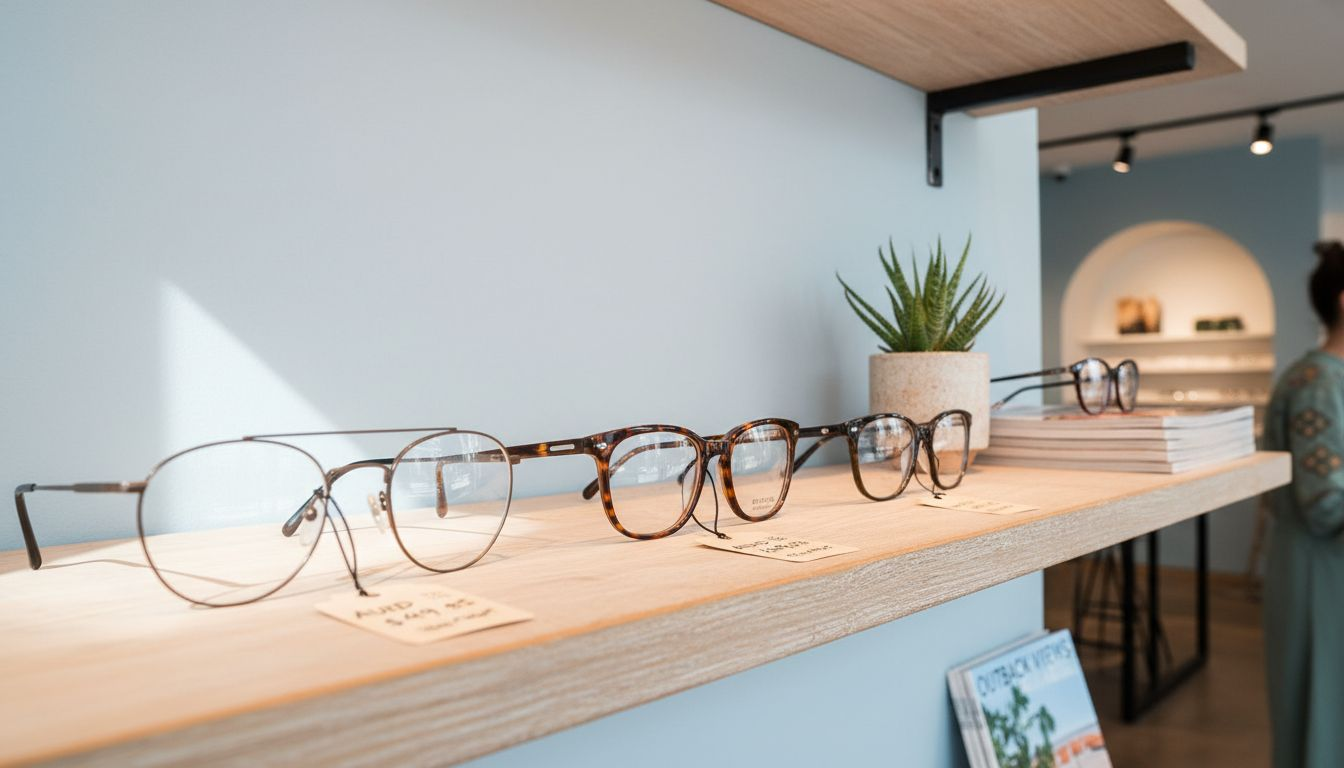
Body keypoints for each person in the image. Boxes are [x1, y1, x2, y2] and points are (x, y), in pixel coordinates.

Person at [1265, 239, 1344, 768]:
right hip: (1321, 572)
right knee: (1322, 713)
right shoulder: (1318, 383)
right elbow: (1325, 504)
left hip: (1323, 567)